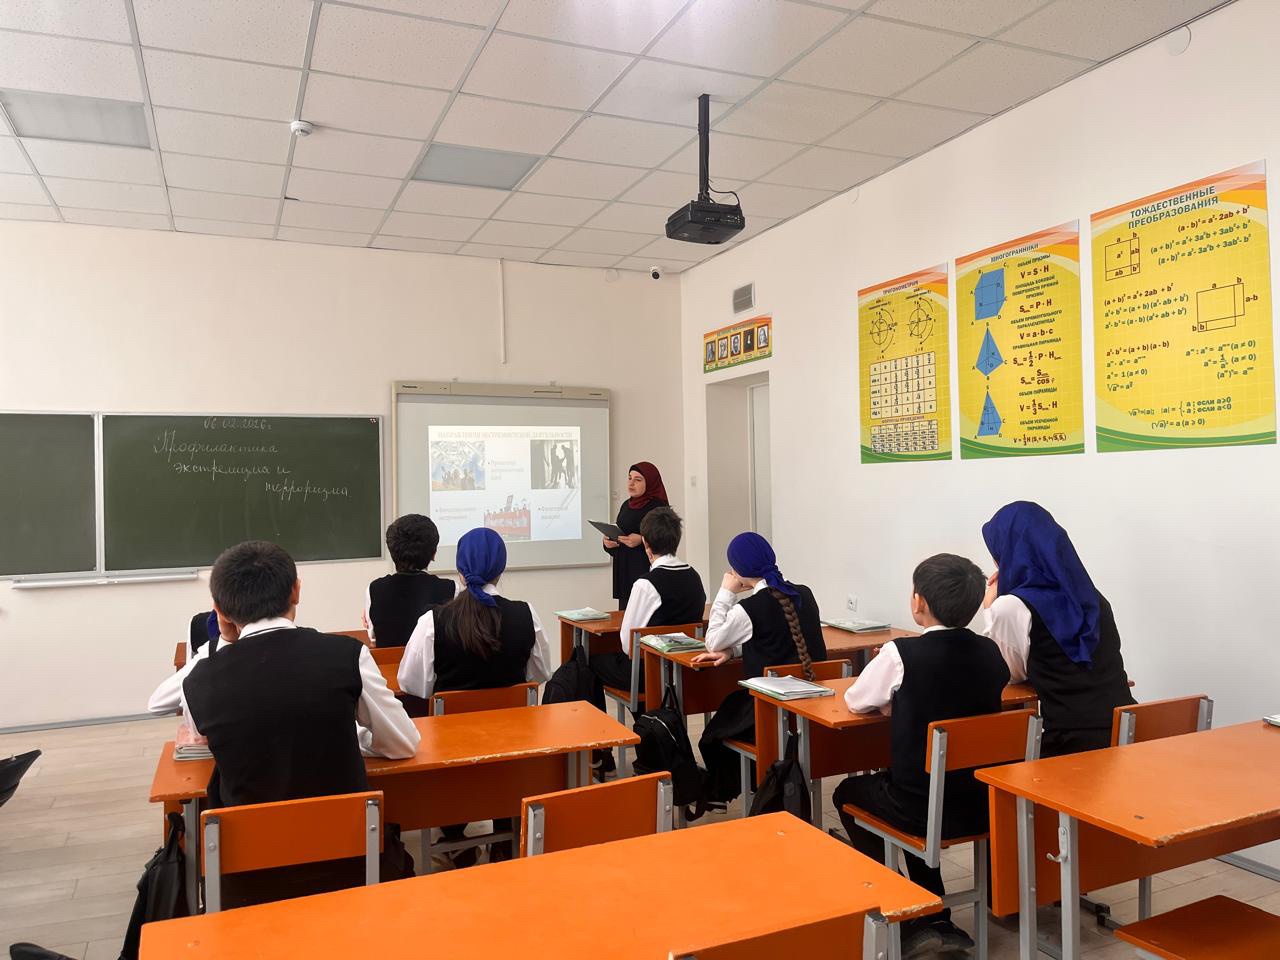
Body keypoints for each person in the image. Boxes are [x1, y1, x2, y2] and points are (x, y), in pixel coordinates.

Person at [177, 540, 420, 904]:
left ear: (220, 610)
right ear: (296, 590)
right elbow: (403, 744)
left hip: (248, 885)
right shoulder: (346, 655)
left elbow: (204, 739)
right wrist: (352, 736)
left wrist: (224, 643)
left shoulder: (198, 681)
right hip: (349, 868)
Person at [834, 553, 1010, 956]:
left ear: (919, 602)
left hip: (918, 807)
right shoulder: (991, 651)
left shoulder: (901, 654)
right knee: (917, 791)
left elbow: (856, 700)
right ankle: (933, 912)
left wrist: (893, 700)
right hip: (979, 804)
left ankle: (908, 911)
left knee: (847, 794)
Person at [398, 527, 551, 866]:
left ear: (459, 568)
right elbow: (539, 675)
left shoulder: (433, 621)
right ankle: (505, 839)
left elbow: (411, 683)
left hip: (451, 757)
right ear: (501, 567)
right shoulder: (526, 614)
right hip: (511, 753)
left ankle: (455, 839)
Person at [981, 501, 1135, 757]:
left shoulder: (1011, 606)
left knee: (997, 758)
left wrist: (990, 608)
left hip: (1071, 745)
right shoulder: (1092, 598)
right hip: (1129, 731)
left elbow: (1011, 674)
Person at [691, 532, 826, 808]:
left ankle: (727, 790)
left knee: (712, 736)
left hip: (767, 712)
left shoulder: (749, 608)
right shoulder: (804, 593)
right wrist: (734, 650)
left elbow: (712, 640)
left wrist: (726, 592)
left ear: (737, 570)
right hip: (811, 709)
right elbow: (778, 638)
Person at [588, 506, 706, 710]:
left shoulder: (646, 584)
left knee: (588, 664)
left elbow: (628, 644)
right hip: (685, 670)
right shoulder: (694, 577)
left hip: (649, 672)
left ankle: (628, 723)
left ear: (645, 543)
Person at [364, 514, 458, 647]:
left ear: (392, 551)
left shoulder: (374, 589)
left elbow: (373, 637)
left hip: (391, 661)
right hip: (436, 661)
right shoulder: (451, 589)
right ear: (433, 553)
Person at [602, 462, 669, 609]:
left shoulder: (658, 508)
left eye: (637, 480)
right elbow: (621, 533)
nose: (631, 483)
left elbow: (666, 541)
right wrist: (609, 543)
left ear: (650, 482)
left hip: (645, 573)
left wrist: (642, 539)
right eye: (629, 478)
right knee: (625, 618)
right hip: (624, 575)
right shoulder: (626, 505)